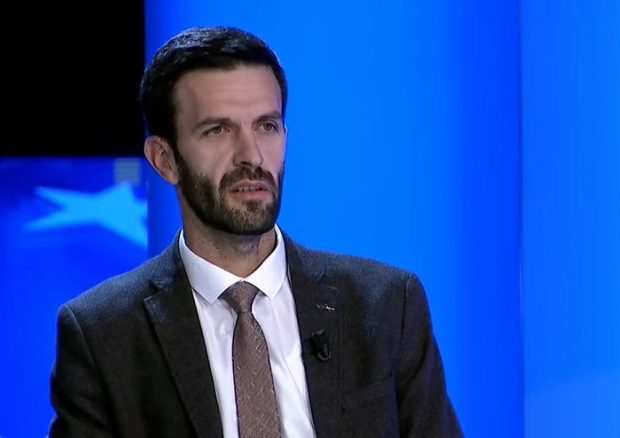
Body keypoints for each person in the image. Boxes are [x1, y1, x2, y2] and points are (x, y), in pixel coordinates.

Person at [49, 26, 462, 438]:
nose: (252, 156)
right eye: (217, 130)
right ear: (165, 159)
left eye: (266, 126)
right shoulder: (102, 335)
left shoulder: (385, 306)